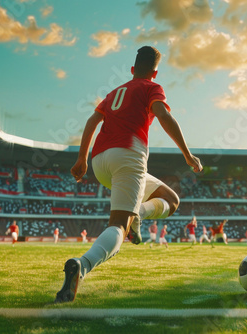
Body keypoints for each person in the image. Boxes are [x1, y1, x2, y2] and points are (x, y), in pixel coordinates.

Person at [55, 46, 202, 303]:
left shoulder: (114, 93)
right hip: (128, 156)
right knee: (118, 227)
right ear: (154, 73)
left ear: (132, 69)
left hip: (100, 160)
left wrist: (81, 158)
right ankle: (83, 265)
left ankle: (139, 215)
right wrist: (188, 156)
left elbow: (92, 121)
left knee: (171, 200)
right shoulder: (151, 87)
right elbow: (164, 115)